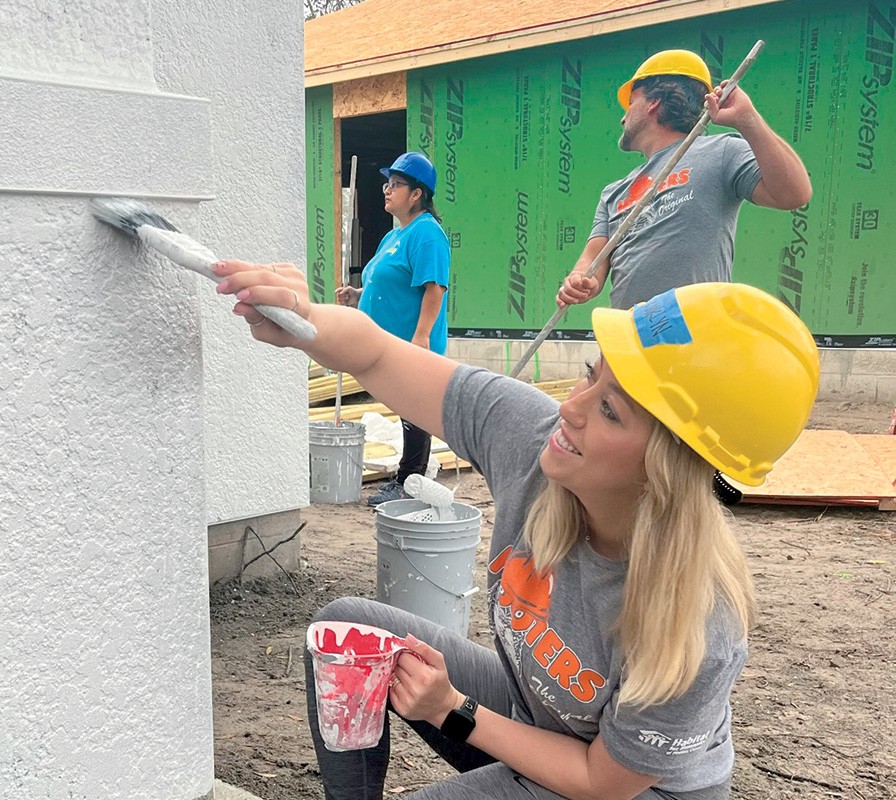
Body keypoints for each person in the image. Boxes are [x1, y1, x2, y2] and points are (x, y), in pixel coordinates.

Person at [212, 260, 819, 800]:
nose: (572, 408)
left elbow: (601, 782)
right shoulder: (537, 442)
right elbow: (377, 355)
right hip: (539, 717)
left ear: (668, 470)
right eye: (591, 375)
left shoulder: (696, 617)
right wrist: (305, 318)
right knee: (348, 630)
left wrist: (455, 709)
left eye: (610, 409)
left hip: (628, 789)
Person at [557, 50, 813, 311]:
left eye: (631, 103)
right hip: (628, 344)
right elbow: (593, 260)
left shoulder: (722, 152)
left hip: (695, 340)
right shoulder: (613, 193)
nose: (623, 117)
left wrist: (747, 119)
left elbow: (794, 193)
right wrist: (579, 279)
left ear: (653, 102)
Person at [335, 151, 451, 506]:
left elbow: (435, 286)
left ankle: (409, 481)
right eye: (388, 183)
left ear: (417, 194)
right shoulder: (394, 236)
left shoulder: (427, 234)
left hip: (409, 343)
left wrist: (421, 336)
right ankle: (407, 479)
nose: (387, 189)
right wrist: (357, 295)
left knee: (416, 411)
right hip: (388, 344)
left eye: (397, 184)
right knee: (406, 409)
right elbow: (383, 283)